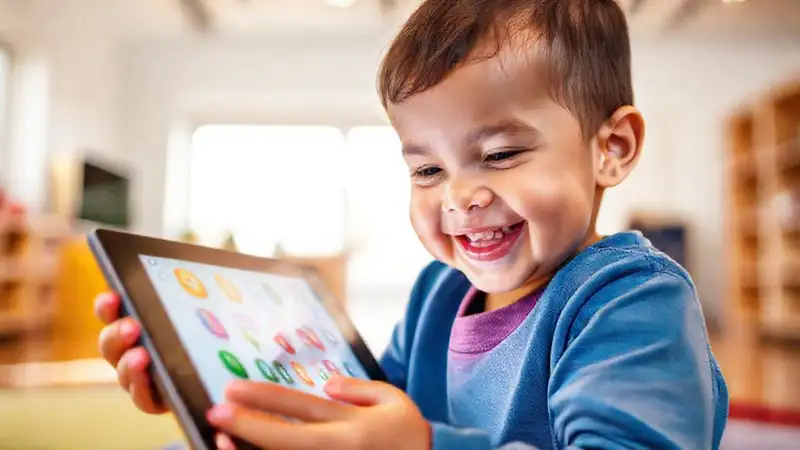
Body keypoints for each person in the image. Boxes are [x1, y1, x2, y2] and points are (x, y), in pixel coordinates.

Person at [95, 0, 729, 448]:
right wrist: (219, 398)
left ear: (610, 148)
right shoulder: (438, 293)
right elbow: (371, 407)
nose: (459, 197)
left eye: (501, 154)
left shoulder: (632, 301)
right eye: (426, 170)